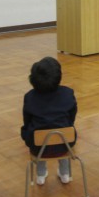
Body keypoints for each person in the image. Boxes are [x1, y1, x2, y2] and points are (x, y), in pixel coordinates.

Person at [20, 57, 77, 186]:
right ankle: (65, 173)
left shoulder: (29, 97)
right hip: (65, 144)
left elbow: (27, 121)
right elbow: (72, 116)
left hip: (38, 146)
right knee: (63, 130)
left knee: (36, 132)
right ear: (59, 77)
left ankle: (40, 174)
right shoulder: (68, 93)